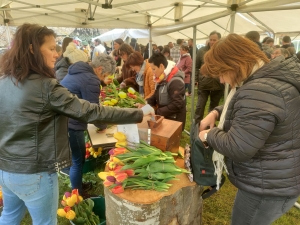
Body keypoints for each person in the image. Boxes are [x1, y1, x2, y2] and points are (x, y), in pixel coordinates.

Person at [0, 23, 154, 225]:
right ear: (32, 49)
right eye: (52, 48)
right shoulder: (46, 87)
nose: (57, 54)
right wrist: (138, 113)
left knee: (9, 216)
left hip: (6, 169)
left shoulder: (4, 80)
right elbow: (92, 111)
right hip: (35, 172)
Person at [198, 33, 300, 225]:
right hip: (276, 178)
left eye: (221, 73)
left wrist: (209, 134)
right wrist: (217, 112)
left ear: (235, 64)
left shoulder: (260, 89)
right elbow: (253, 112)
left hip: (266, 187)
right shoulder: (269, 80)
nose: (221, 81)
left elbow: (238, 147)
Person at [60, 54, 114, 197]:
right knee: (78, 160)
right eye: (106, 75)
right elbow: (94, 112)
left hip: (63, 120)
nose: (105, 78)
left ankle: (78, 186)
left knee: (76, 159)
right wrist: (103, 126)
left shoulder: (79, 72)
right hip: (72, 123)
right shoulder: (90, 79)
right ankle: (78, 195)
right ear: (100, 69)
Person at [146, 53, 186, 130]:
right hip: (166, 117)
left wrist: (157, 111)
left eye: (154, 69)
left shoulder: (175, 81)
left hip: (174, 120)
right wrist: (146, 103)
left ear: (161, 66)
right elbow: (156, 95)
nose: (152, 72)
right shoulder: (161, 78)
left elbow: (176, 104)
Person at [194, 31, 224, 123]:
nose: (212, 42)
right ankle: (197, 125)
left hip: (218, 84)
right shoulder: (202, 51)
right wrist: (195, 79)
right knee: (200, 106)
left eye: (214, 40)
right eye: (210, 39)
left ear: (219, 40)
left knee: (214, 107)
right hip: (204, 83)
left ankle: (209, 125)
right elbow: (196, 66)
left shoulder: (223, 52)